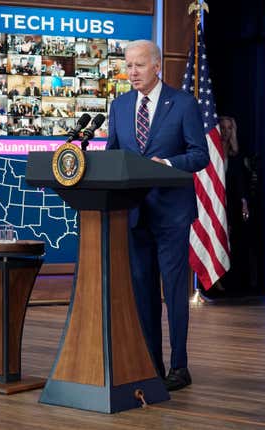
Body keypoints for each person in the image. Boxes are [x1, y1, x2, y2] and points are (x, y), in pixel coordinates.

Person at [106, 40, 209, 391]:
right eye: (128, 65)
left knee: (175, 293)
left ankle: (180, 366)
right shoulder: (118, 107)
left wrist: (166, 164)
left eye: (138, 65)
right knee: (143, 294)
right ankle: (151, 363)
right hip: (134, 216)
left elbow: (200, 156)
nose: (131, 72)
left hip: (172, 214)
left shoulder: (183, 104)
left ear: (157, 66)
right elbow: (112, 157)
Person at [215, 116, 250, 294]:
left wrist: (244, 203)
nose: (226, 131)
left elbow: (241, 181)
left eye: (229, 128)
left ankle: (227, 278)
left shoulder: (236, 154)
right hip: (213, 201)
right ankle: (214, 279)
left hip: (231, 203)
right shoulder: (211, 150)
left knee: (229, 239)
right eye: (222, 127)